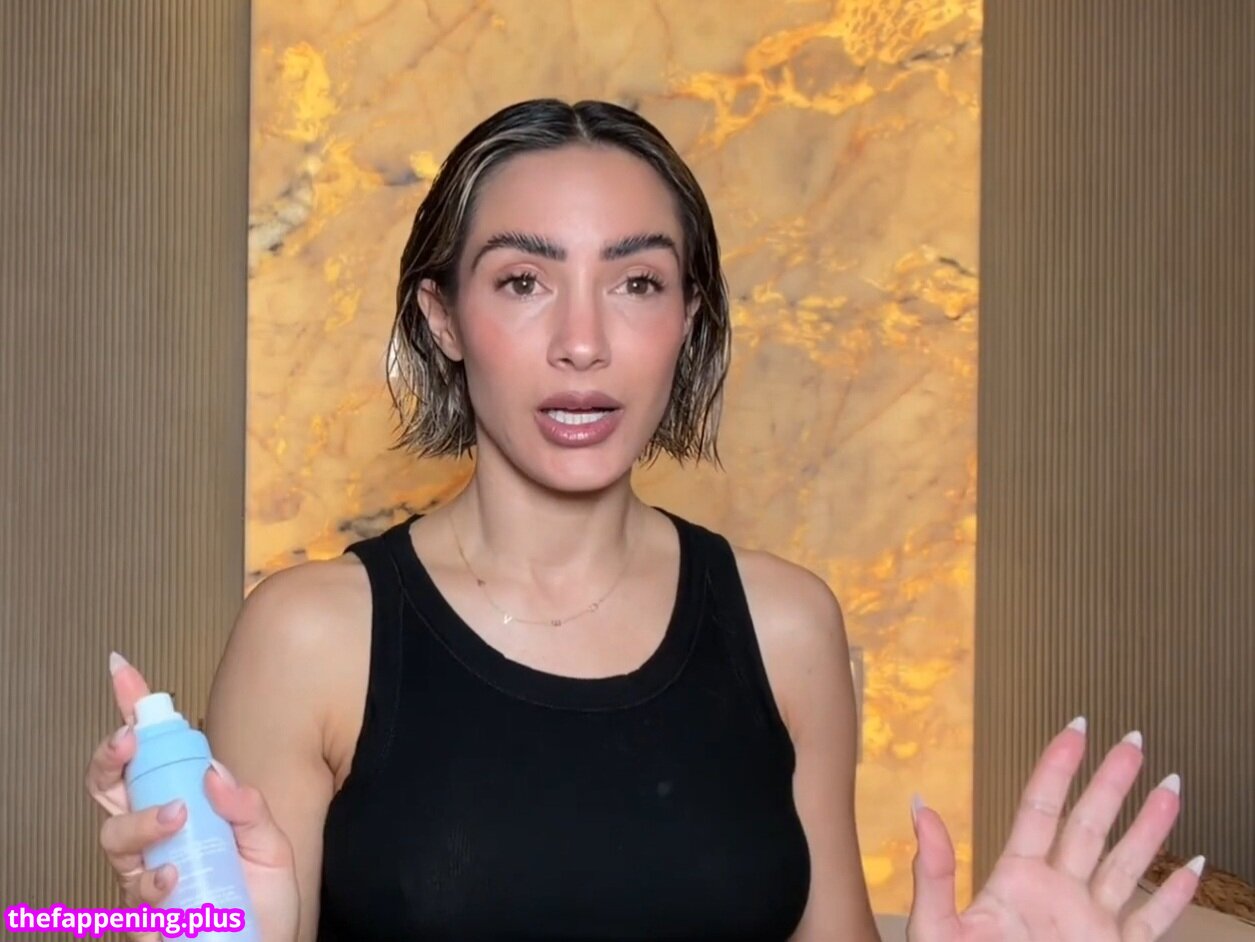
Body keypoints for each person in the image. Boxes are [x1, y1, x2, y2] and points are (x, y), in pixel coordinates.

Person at [85, 99, 1203, 942]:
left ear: (688, 320)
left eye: (636, 284)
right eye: (522, 281)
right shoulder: (314, 636)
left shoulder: (786, 626)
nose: (583, 342)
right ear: (443, 318)